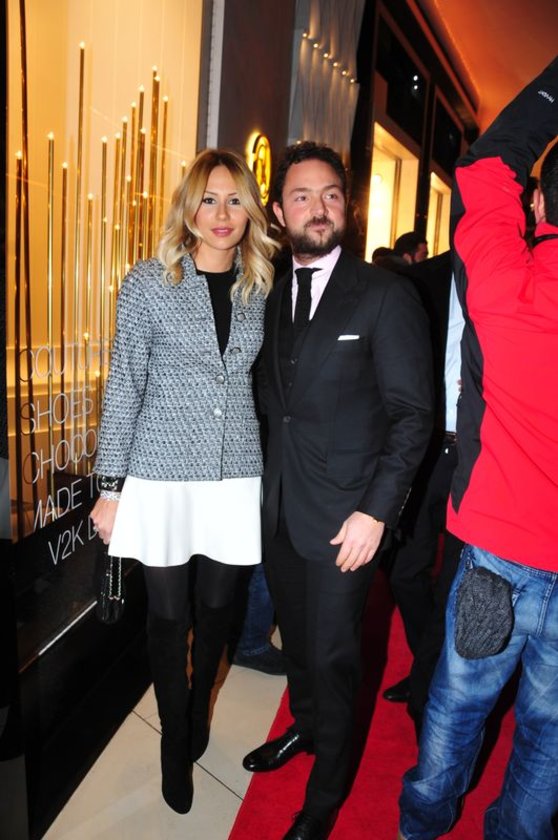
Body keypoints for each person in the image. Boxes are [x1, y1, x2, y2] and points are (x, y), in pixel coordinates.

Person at [242, 141, 433, 840]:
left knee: (333, 657)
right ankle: (306, 726)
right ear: (278, 211)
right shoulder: (265, 293)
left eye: (329, 195)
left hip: (348, 520)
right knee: (298, 645)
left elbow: (414, 416)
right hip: (281, 510)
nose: (317, 208)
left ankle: (323, 801)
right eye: (301, 196)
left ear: (345, 206)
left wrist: (376, 513)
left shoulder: (384, 294)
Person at [90, 149, 277, 815]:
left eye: (234, 200)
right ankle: (175, 739)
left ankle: (199, 710)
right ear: (188, 207)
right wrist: (110, 488)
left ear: (250, 210)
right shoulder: (150, 281)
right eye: (208, 199)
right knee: (169, 619)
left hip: (234, 473)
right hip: (161, 473)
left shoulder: (261, 286)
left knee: (219, 611)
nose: (221, 214)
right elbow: (125, 383)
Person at [398, 58, 558, 840]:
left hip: (498, 552)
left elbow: (485, 166)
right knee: (551, 734)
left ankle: (421, 826)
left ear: (539, 201)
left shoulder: (504, 279)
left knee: (457, 710)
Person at [382, 252, 464, 724]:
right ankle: (427, 666)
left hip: (480, 453)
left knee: (456, 579)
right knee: (404, 572)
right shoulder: (423, 279)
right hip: (428, 446)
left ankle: (428, 682)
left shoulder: (515, 276)